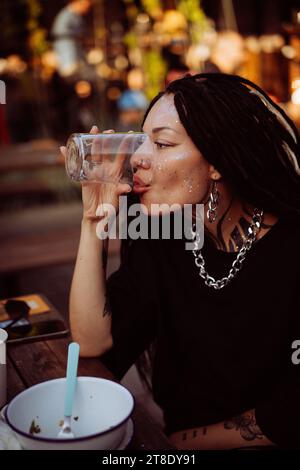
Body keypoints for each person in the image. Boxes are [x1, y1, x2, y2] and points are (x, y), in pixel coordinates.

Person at [61, 73, 300, 450]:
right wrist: (93, 222)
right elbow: (94, 343)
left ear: (218, 161)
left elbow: (290, 414)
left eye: (162, 143)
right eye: (143, 140)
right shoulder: (162, 233)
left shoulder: (291, 249)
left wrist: (177, 443)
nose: (138, 157)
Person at [51, 0, 92, 77]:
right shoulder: (66, 16)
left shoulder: (76, 16)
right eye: (85, 5)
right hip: (68, 51)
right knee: (71, 72)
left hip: (74, 48)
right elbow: (60, 34)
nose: (87, 8)